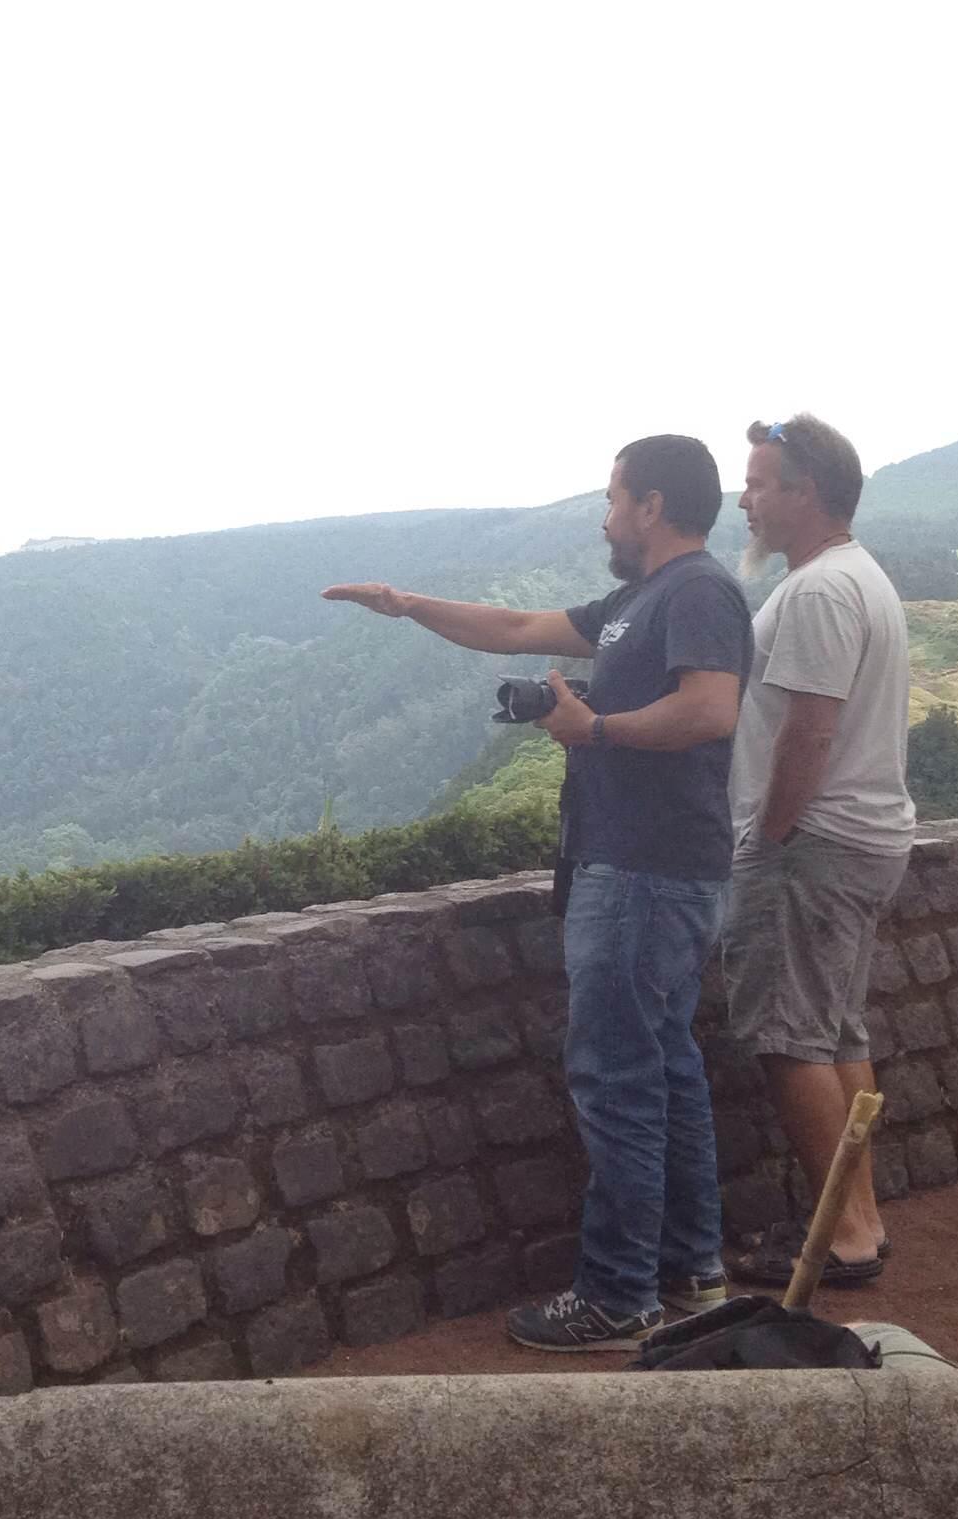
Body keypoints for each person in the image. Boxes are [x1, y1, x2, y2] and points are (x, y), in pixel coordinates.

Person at [321, 434, 755, 1351]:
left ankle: (619, 1295)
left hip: (647, 872)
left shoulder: (700, 591)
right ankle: (690, 1269)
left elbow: (711, 708)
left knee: (618, 1079)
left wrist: (594, 729)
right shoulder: (638, 600)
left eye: (613, 497)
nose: (604, 513)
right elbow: (516, 629)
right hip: (640, 868)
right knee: (665, 1067)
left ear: (652, 506)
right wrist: (408, 607)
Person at [700, 415, 912, 1289]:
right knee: (836, 1033)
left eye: (757, 483)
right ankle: (860, 1216)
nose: (743, 500)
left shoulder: (821, 592)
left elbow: (806, 735)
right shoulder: (857, 578)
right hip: (857, 840)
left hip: (812, 844)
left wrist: (767, 838)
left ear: (804, 494)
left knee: (790, 1040)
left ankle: (850, 1234)